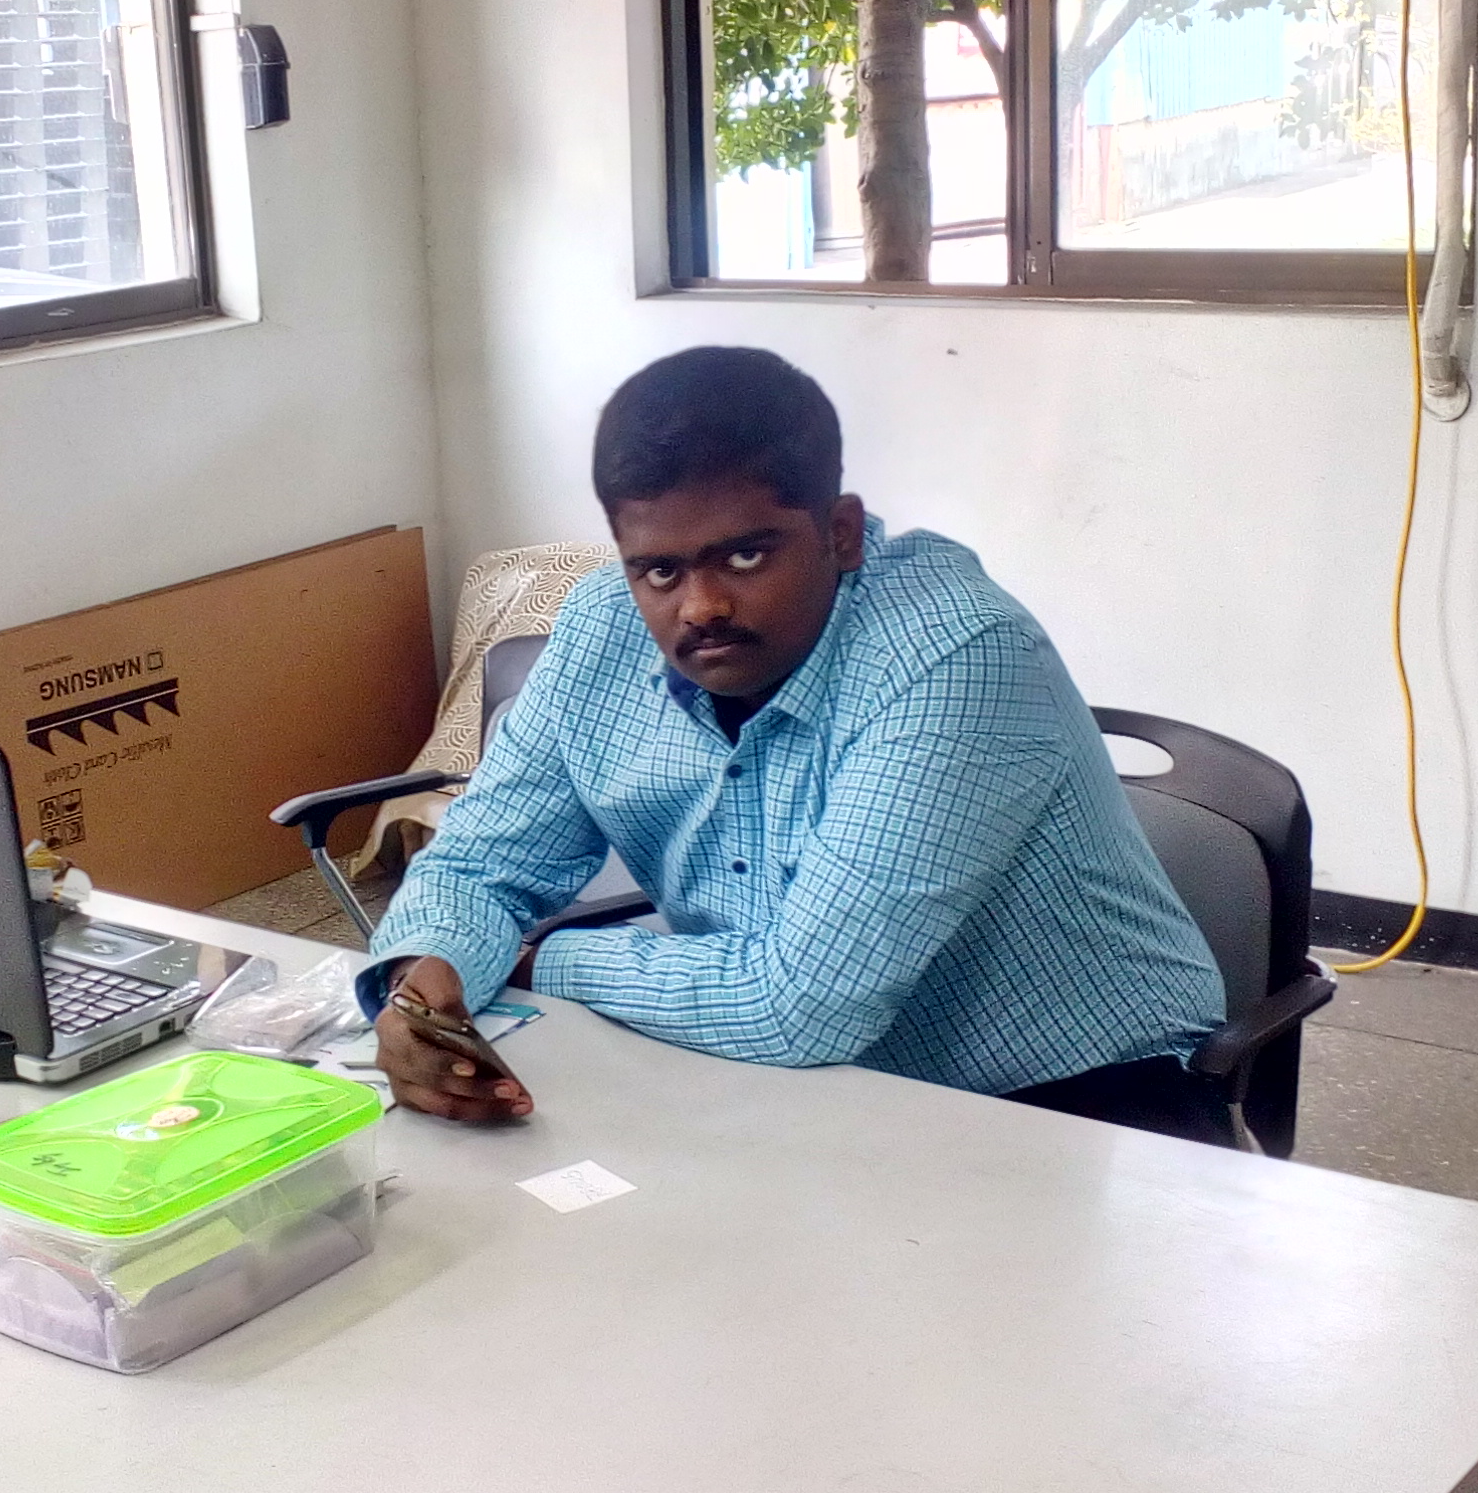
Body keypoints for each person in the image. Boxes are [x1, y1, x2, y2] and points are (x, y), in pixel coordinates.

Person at [361, 346, 1234, 1141]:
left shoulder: (955, 655)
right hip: (789, 1083)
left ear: (840, 532)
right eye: (660, 570)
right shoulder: (601, 630)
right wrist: (424, 979)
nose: (701, 607)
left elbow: (801, 1006)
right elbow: (480, 864)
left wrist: (541, 960)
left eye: (745, 557)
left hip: (1083, 1103)